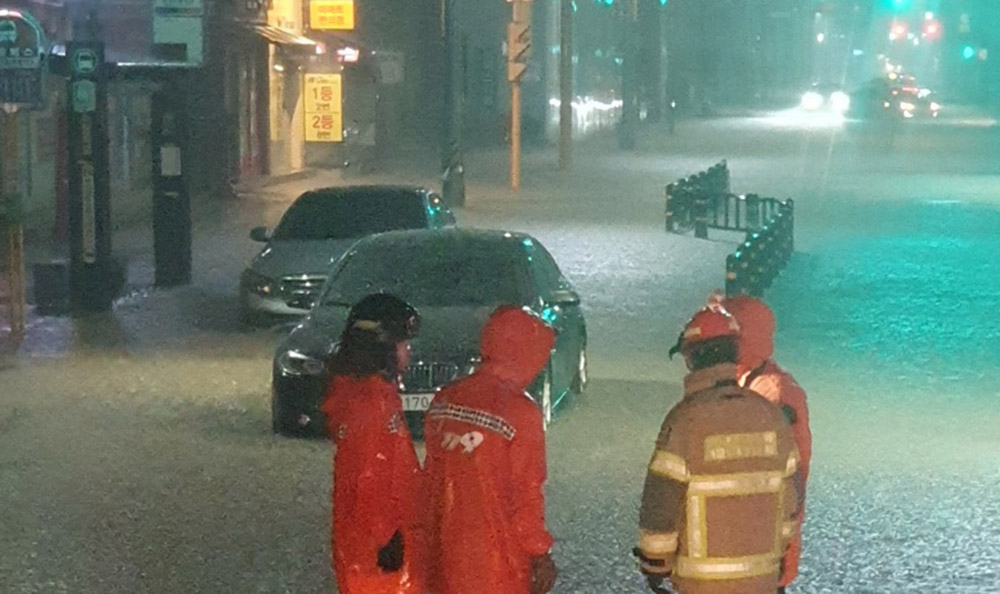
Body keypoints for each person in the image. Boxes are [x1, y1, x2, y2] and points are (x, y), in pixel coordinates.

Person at [636, 304, 802, 594]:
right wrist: (778, 553)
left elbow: (661, 504)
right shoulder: (771, 416)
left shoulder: (685, 420)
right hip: (760, 581)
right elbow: (791, 497)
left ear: (692, 358)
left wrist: (655, 564)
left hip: (701, 585)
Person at [424, 305, 558, 594]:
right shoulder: (520, 413)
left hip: (441, 552)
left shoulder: (446, 399)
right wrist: (539, 551)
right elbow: (526, 492)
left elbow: (430, 480)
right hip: (497, 561)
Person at [320, 293, 424, 594]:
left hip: (372, 546)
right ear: (383, 347)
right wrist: (386, 536)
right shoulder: (370, 403)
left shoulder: (366, 395)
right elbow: (368, 472)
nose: (408, 353)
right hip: (380, 555)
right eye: (403, 345)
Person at [721, 295, 811, 594]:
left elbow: (791, 482)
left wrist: (785, 551)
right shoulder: (745, 384)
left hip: (762, 556)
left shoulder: (774, 394)